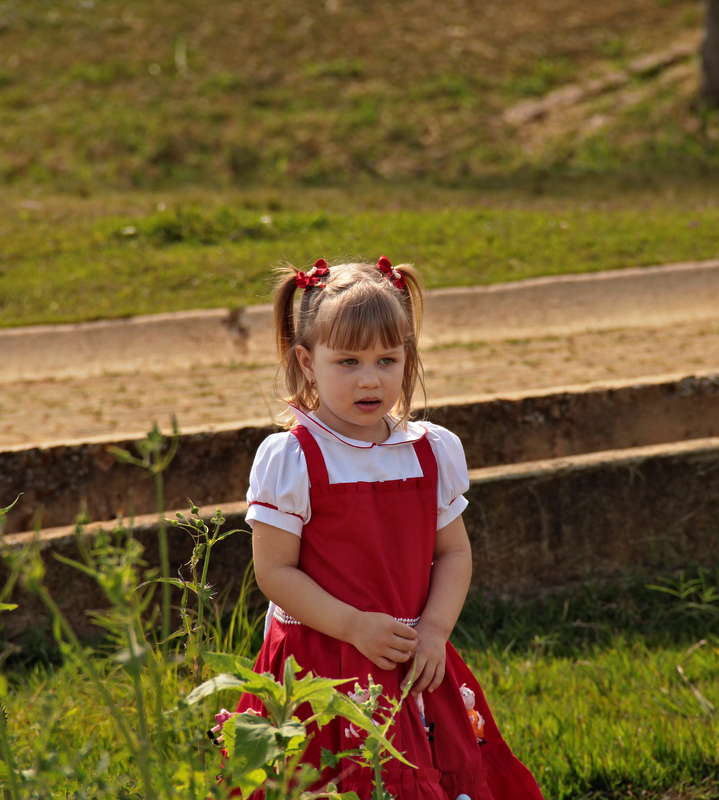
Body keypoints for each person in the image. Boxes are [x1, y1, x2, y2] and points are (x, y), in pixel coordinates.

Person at [233, 256, 545, 800]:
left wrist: (436, 630)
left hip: (413, 656)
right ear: (307, 362)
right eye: (348, 361)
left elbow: (453, 554)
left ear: (408, 357)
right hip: (323, 661)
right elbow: (275, 572)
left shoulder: (431, 451)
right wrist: (353, 626)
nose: (370, 378)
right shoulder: (294, 457)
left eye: (387, 359)